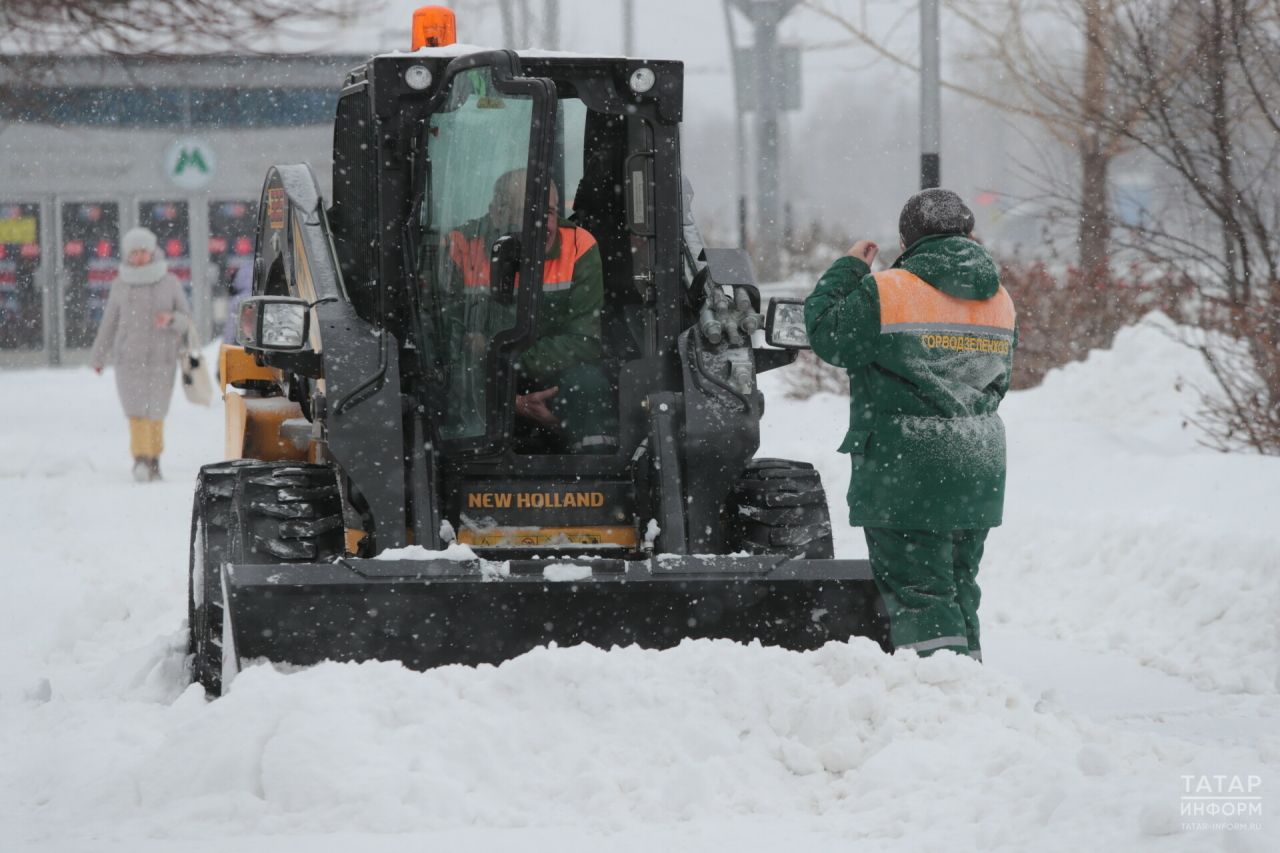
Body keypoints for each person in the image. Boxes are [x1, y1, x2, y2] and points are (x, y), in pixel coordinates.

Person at [803, 188, 1017, 661]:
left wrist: (848, 268)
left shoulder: (888, 290)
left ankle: (941, 696)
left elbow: (827, 336)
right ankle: (969, 684)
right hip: (977, 462)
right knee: (960, 586)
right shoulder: (1000, 299)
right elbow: (999, 382)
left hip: (909, 464)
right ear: (969, 234)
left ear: (907, 240)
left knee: (920, 591)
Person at [446, 168, 616, 452]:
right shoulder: (462, 247)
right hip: (479, 376)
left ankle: (593, 476)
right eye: (527, 213)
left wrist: (508, 359)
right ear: (497, 215)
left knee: (587, 385)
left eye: (548, 212)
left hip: (545, 372)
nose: (542, 225)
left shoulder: (579, 246)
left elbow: (584, 342)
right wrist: (510, 400)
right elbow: (445, 341)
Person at [90, 226, 194, 482]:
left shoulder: (170, 282)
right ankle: (140, 459)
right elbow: (109, 322)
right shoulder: (120, 284)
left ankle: (155, 459)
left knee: (156, 412)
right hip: (129, 359)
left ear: (152, 252)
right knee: (136, 412)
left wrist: (170, 319)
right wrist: (98, 356)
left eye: (143, 251)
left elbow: (188, 321)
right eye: (133, 252)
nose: (138, 257)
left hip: (163, 359)